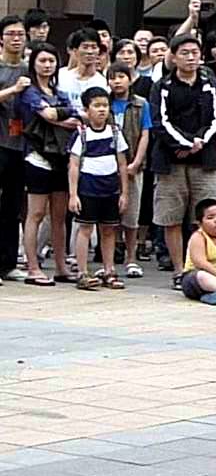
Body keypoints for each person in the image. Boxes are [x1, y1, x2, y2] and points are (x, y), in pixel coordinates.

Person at [150, 34, 216, 290]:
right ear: (173, 56)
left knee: (203, 215)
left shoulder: (210, 83)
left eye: (195, 52)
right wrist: (183, 143)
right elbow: (160, 121)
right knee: (172, 217)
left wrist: (198, 142)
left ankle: (200, 267)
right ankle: (179, 270)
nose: (191, 57)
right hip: (170, 161)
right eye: (184, 53)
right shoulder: (162, 86)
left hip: (203, 159)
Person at [19, 42, 77, 286]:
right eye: (42, 61)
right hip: (37, 156)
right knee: (36, 213)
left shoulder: (59, 92)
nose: (47, 65)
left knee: (59, 215)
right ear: (33, 63)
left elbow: (75, 115)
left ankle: (61, 266)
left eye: (51, 61)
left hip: (61, 157)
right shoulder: (30, 90)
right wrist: (60, 118)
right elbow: (49, 115)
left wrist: (58, 117)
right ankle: (32, 266)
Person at [67, 87, 129, 290]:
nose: (102, 110)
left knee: (109, 230)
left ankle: (109, 270)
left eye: (105, 105)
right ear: (87, 109)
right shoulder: (81, 135)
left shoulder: (115, 132)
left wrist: (124, 193)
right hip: (88, 188)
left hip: (110, 188)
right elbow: (74, 165)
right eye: (96, 106)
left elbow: (122, 164)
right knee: (85, 229)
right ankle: (83, 272)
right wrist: (73, 194)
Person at [107, 62, 150, 278]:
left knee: (131, 215)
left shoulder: (141, 104)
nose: (117, 81)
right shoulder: (103, 103)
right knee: (110, 215)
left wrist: (136, 162)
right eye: (112, 77)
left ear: (131, 78)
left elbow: (145, 134)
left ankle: (131, 258)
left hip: (134, 166)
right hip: (107, 167)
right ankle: (110, 256)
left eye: (121, 77)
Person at [0, 16, 30, 281]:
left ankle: (8, 262)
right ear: (1, 38)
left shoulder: (30, 67)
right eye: (11, 34)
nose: (16, 38)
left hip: (22, 145)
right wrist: (12, 90)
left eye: (20, 34)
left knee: (13, 206)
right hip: (0, 142)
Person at [59, 28, 109, 114]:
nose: (90, 52)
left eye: (94, 47)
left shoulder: (102, 82)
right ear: (75, 51)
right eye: (85, 47)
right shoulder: (61, 76)